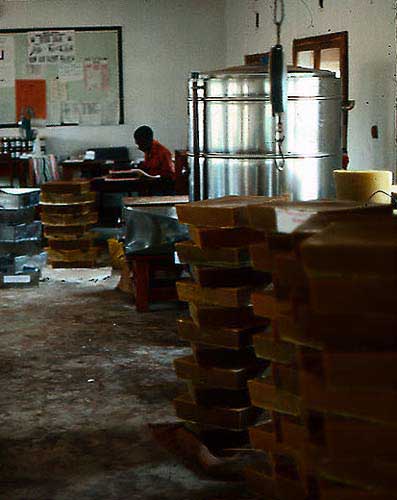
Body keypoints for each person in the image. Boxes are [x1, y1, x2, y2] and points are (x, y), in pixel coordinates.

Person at [133, 125, 176, 194]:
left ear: (147, 141)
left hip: (162, 189)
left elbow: (168, 178)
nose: (138, 147)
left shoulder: (163, 153)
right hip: (152, 186)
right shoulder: (148, 150)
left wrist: (147, 176)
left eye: (140, 144)